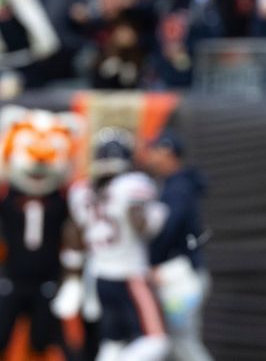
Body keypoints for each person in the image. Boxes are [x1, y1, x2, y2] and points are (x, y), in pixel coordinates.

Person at [68, 127, 169, 361]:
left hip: (100, 276)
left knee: (113, 341)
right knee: (156, 340)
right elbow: (144, 227)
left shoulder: (82, 190)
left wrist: (73, 274)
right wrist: (157, 214)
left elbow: (74, 233)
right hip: (129, 275)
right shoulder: (132, 186)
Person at [0, 106, 83, 360]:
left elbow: (72, 235)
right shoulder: (7, 198)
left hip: (47, 279)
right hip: (11, 277)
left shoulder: (62, 200)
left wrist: (72, 277)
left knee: (43, 341)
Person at [145, 129, 213, 361]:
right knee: (173, 345)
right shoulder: (171, 185)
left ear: (168, 153)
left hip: (180, 277)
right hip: (178, 275)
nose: (151, 155)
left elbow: (168, 230)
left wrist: (153, 260)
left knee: (184, 344)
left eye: (155, 150)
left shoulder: (178, 188)